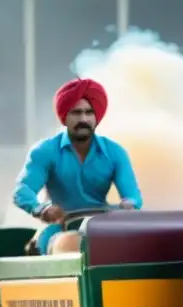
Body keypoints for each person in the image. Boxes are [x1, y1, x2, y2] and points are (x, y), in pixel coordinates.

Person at [12, 78, 142, 255]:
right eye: (76, 113)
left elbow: (133, 197)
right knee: (67, 245)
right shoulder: (44, 151)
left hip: (102, 228)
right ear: (64, 117)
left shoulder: (115, 152)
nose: (83, 119)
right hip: (59, 229)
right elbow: (22, 190)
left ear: (97, 116)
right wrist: (42, 209)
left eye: (89, 113)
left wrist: (128, 205)